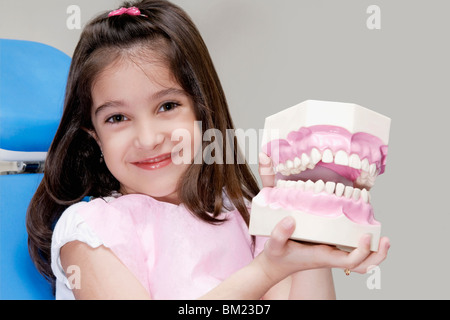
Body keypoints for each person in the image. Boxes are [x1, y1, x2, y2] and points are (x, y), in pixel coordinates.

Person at [26, 0, 390, 300]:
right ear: (94, 137)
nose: (149, 138)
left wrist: (308, 244)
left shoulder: (246, 214)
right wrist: (264, 272)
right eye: (118, 117)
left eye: (167, 107)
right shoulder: (90, 231)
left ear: (202, 109)